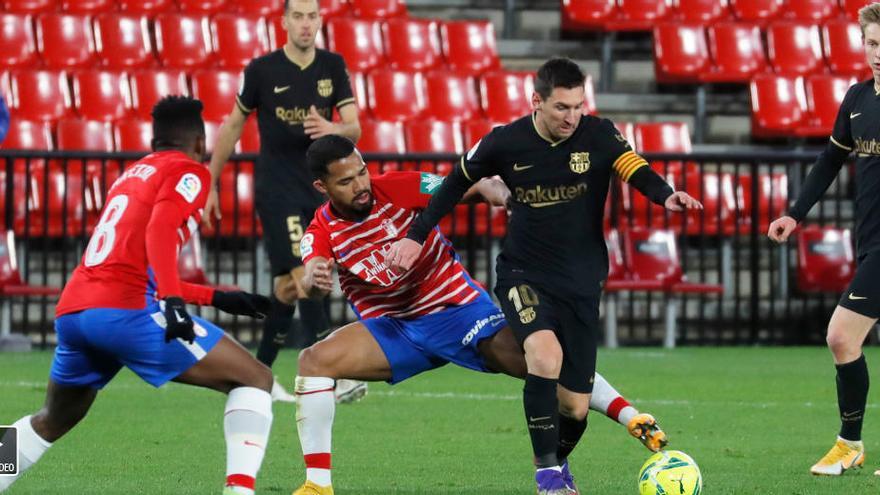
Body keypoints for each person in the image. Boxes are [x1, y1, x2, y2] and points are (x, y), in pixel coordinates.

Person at [386, 58, 702, 494]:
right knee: (543, 356)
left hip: (582, 279)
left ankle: (558, 463)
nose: (572, 117)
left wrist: (666, 195)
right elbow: (455, 182)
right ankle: (547, 476)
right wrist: (417, 235)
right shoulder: (504, 142)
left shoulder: (598, 133)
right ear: (536, 101)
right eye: (561, 108)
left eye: (577, 106)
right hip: (523, 273)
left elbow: (632, 166)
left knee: (573, 406)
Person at [288, 135, 668, 495]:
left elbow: (471, 186)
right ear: (322, 187)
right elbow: (312, 275)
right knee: (313, 361)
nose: (360, 185)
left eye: (361, 172)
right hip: (398, 330)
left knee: (543, 359)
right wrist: (316, 278)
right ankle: (318, 485)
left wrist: (504, 195)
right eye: (346, 182)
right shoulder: (322, 230)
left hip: (459, 313)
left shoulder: (399, 186)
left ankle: (629, 417)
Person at [0, 96, 275, 495]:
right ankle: (240, 491)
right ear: (200, 142)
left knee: (51, 419)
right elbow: (160, 232)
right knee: (256, 378)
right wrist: (174, 301)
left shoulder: (132, 174)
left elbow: (131, 263)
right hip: (125, 313)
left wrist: (214, 297)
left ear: (153, 139)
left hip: (76, 311)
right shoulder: (190, 171)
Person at [204, 0, 364, 403]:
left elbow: (355, 126)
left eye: (312, 16)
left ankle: (253, 377)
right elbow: (233, 125)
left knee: (286, 290)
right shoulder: (262, 70)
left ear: (320, 21)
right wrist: (210, 182)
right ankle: (337, 372)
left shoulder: (331, 65)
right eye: (298, 16)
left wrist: (333, 128)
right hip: (277, 192)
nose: (306, 24)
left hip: (318, 192)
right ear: (284, 22)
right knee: (306, 275)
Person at [768, 2, 880, 477]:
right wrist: (794, 214)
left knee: (840, 334)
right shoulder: (857, 98)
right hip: (870, 241)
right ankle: (851, 445)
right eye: (873, 43)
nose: (878, 52)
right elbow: (830, 162)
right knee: (844, 339)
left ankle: (848, 442)